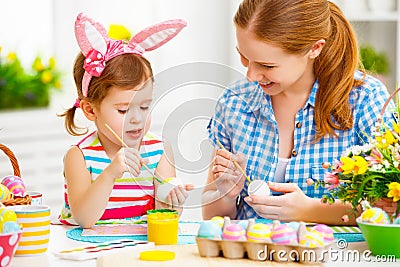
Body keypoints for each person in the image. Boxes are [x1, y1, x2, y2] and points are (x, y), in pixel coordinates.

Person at [202, 0, 394, 225]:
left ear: (314, 48)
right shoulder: (234, 102)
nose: (251, 75)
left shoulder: (364, 99)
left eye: (267, 65)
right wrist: (225, 193)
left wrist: (311, 210)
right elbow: (214, 219)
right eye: (244, 57)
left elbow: (389, 206)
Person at [59, 13, 191, 228]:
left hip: (137, 249)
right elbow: (84, 218)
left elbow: (164, 217)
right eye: (123, 110)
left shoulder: (158, 151)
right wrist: (111, 173)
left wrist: (173, 199)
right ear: (91, 110)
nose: (137, 119)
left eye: (145, 106)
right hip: (84, 249)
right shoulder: (80, 156)